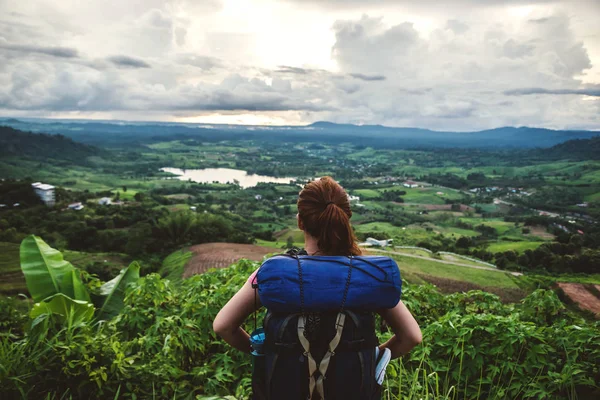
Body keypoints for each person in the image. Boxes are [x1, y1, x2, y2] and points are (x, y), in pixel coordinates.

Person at [213, 176, 422, 399]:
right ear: (345, 219)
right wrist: (372, 356)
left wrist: (266, 353)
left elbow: (223, 326)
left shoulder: (273, 272)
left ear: (300, 221)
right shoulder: (369, 276)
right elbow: (411, 337)